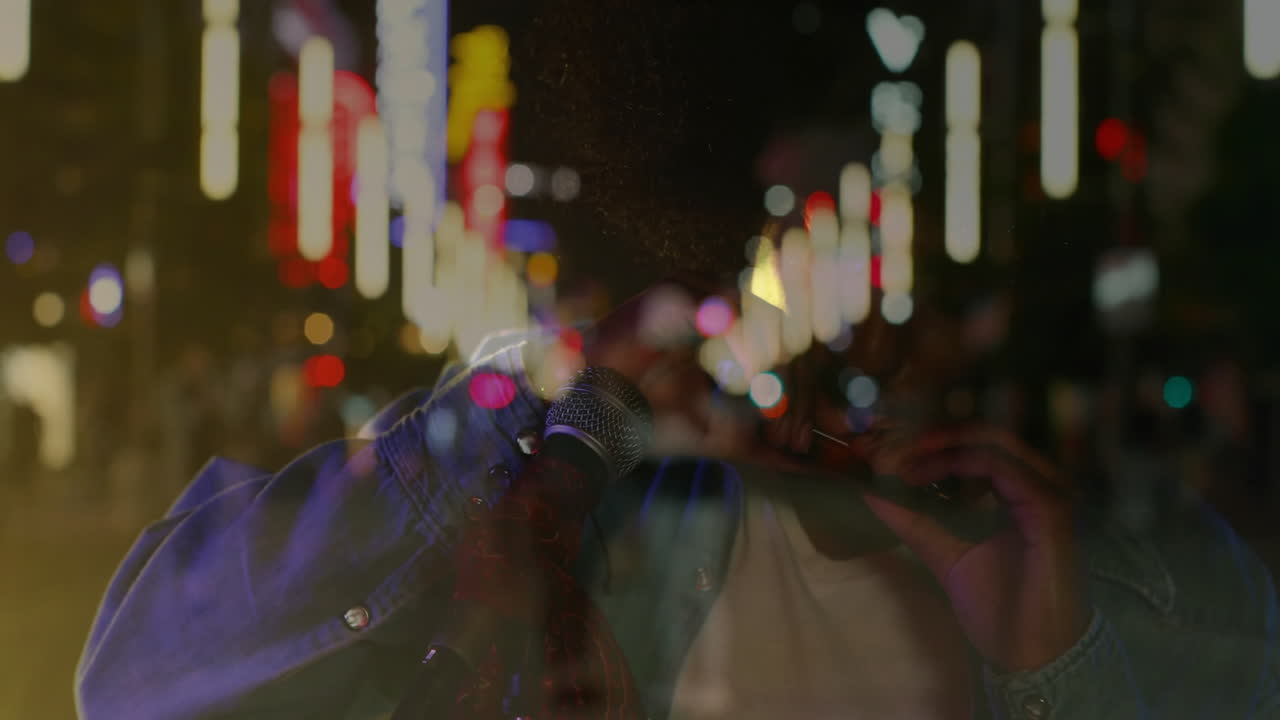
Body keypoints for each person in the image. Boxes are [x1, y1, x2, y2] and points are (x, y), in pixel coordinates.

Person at [77, 2, 1278, 717]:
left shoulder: (1118, 584)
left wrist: (1054, 666)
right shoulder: (518, 523)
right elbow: (131, 680)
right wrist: (534, 423)